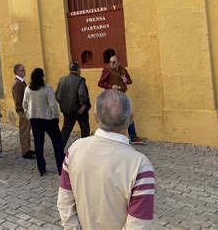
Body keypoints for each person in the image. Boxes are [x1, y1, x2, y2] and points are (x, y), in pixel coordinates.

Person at [57, 90, 155, 229]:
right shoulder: (140, 165)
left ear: (96, 117)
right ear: (131, 118)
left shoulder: (74, 149)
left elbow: (65, 201)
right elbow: (139, 225)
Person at [23, 68, 64, 176]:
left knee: (38, 143)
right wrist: (56, 115)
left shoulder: (28, 88)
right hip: (48, 119)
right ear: (42, 76)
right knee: (57, 142)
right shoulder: (47, 87)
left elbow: (25, 103)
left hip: (34, 118)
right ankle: (61, 167)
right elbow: (52, 104)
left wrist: (28, 113)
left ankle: (41, 169)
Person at [98, 55, 143, 144]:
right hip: (111, 96)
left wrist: (126, 80)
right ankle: (108, 137)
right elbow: (100, 83)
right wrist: (111, 86)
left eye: (113, 62)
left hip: (122, 95)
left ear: (118, 62)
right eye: (110, 62)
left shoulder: (123, 70)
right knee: (111, 116)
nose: (111, 64)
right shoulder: (107, 70)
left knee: (128, 114)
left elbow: (130, 81)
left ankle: (133, 137)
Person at [56, 62, 91, 148]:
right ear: (78, 69)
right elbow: (82, 94)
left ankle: (59, 147)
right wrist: (83, 106)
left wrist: (63, 104)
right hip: (79, 110)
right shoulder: (80, 80)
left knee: (66, 129)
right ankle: (85, 147)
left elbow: (57, 95)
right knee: (85, 128)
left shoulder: (61, 79)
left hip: (67, 109)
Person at [12, 64, 35, 159]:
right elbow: (18, 99)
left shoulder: (21, 82)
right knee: (24, 131)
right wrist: (22, 110)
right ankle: (25, 151)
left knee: (27, 130)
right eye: (21, 70)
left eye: (24, 69)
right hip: (23, 111)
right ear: (17, 72)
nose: (24, 71)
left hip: (25, 110)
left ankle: (27, 148)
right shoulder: (17, 83)